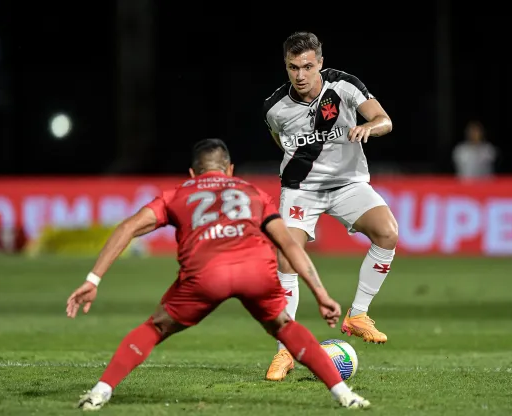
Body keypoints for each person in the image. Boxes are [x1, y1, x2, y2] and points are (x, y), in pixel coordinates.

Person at [66, 139, 372, 410]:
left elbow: (128, 227)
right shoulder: (252, 192)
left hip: (204, 275)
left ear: (191, 173)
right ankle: (344, 395)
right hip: (255, 272)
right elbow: (289, 246)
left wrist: (93, 280)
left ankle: (100, 392)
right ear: (230, 170)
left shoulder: (176, 194)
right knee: (284, 326)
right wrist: (321, 294)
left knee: (156, 327)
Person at [262, 31, 399, 381]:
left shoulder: (344, 86)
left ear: (320, 63)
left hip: (348, 183)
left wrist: (370, 127)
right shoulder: (274, 107)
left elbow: (385, 120)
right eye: (293, 67)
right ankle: (284, 352)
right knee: (286, 256)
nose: (301, 75)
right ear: (286, 67)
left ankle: (358, 314)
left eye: (308, 66)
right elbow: (281, 141)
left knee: (387, 232)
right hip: (301, 189)